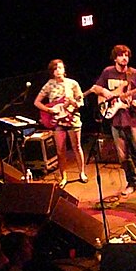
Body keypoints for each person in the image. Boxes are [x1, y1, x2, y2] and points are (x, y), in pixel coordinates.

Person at [93, 44, 136, 199]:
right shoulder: (107, 72)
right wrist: (109, 94)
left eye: (126, 55)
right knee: (123, 157)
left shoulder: (135, 74)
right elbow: (96, 88)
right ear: (115, 58)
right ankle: (132, 182)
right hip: (116, 120)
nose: (124, 57)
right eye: (121, 55)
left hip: (134, 119)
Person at [34, 59, 87, 188]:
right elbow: (37, 102)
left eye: (60, 68)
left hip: (72, 119)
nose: (58, 71)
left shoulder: (73, 84)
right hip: (57, 121)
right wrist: (48, 110)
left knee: (77, 147)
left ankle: (82, 172)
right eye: (55, 69)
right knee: (60, 150)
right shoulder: (49, 85)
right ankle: (63, 176)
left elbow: (81, 101)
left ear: (64, 70)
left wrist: (74, 103)